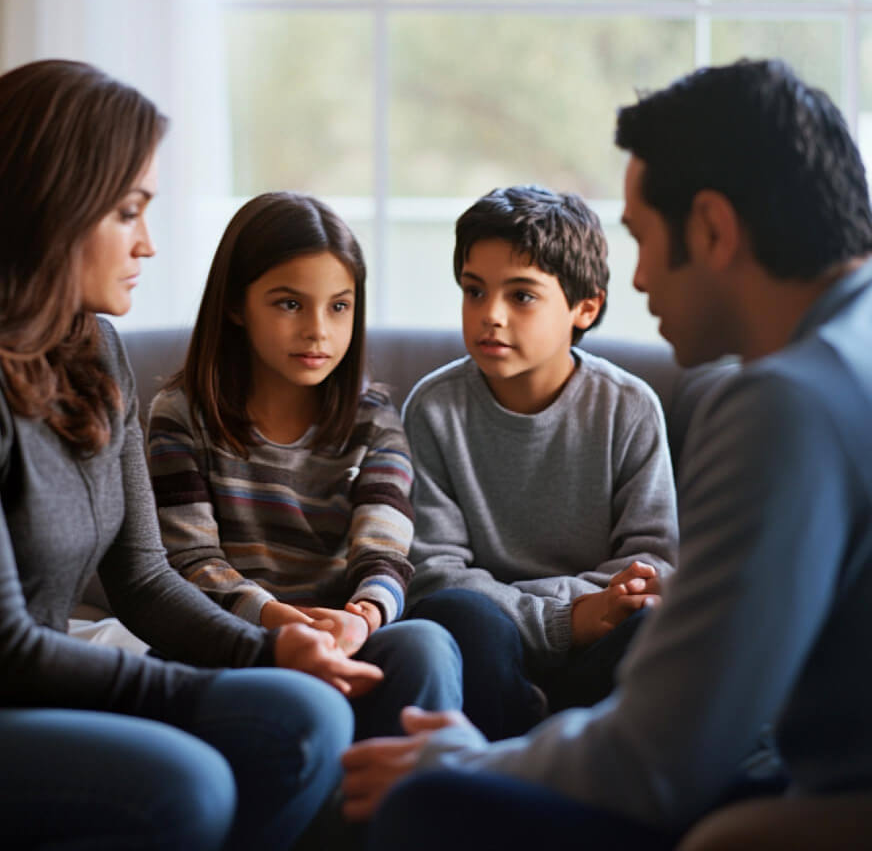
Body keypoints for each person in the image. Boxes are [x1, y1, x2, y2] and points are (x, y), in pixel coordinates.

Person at [340, 58, 872, 848]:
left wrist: (468, 761)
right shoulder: (849, 350)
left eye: (641, 239)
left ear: (714, 230)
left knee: (428, 803)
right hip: (788, 766)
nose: (643, 278)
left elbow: (663, 756)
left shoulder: (785, 403)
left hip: (808, 787)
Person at [0, 60, 384, 851]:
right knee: (190, 782)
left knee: (308, 712)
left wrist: (271, 647)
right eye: (127, 211)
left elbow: (142, 579)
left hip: (22, 699)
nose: (147, 243)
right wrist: (209, 689)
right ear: (50, 206)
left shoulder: (93, 346)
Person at [147, 191, 463, 742]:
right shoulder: (179, 417)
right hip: (234, 635)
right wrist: (278, 621)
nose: (319, 330)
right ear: (236, 306)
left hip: (346, 629)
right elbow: (190, 560)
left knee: (428, 644)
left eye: (339, 306)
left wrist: (361, 617)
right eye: (289, 304)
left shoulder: (374, 421)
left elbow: (384, 552)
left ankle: (411, 805)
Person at [402, 185, 678, 739]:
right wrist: (563, 620)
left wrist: (594, 619)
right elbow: (433, 575)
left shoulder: (629, 406)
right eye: (474, 292)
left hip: (600, 643)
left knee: (653, 621)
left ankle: (567, 754)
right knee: (460, 614)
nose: (491, 316)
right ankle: (500, 772)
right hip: (487, 646)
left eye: (521, 296)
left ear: (585, 308)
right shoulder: (434, 410)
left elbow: (651, 563)